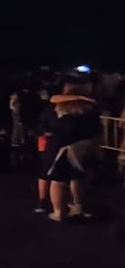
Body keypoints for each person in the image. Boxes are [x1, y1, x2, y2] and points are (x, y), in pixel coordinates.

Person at [39, 81, 101, 221]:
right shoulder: (90, 106)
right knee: (77, 177)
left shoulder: (61, 106)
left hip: (61, 146)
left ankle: (58, 212)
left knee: (58, 180)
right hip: (83, 146)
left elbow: (53, 100)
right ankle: (78, 206)